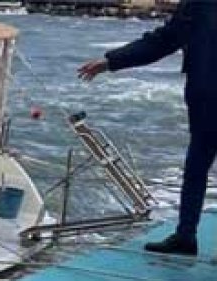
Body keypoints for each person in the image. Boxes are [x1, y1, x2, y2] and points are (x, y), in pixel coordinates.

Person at [78, 0, 216, 256]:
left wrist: (110, 62)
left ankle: (186, 235)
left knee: (197, 165)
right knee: (196, 164)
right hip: (205, 97)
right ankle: (185, 236)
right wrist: (111, 61)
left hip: (206, 96)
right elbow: (165, 39)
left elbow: (163, 41)